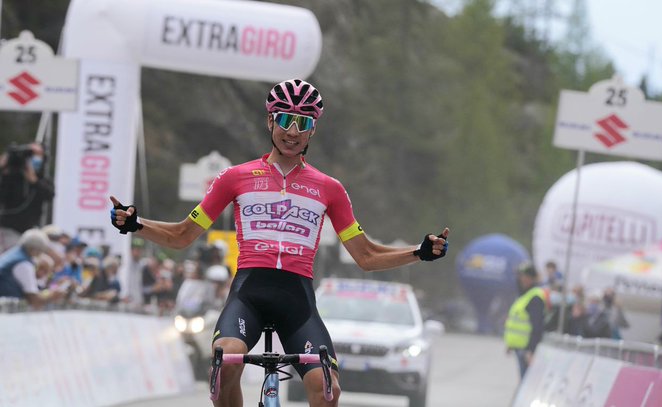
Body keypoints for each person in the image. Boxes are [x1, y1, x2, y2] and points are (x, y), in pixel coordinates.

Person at [109, 78, 449, 407]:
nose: (293, 132)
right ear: (270, 121)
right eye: (286, 120)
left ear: (313, 130)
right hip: (249, 295)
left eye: (303, 123)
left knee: (327, 389)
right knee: (225, 362)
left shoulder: (329, 188)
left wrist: (419, 252)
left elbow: (367, 255)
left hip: (297, 302)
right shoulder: (235, 178)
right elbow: (182, 235)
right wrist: (136, 224)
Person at [0, 142, 55, 253]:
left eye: (37, 154)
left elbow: (49, 195)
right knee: (14, 254)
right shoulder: (10, 176)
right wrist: (3, 167)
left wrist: (34, 181)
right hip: (9, 227)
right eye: (30, 154)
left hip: (31, 229)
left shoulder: (43, 179)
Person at [0, 228, 69, 309]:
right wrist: (52, 296)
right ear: (35, 250)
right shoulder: (23, 263)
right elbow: (34, 300)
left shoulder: (14, 254)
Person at [504, 262, 546, 379]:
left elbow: (537, 326)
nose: (520, 279)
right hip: (520, 348)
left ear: (530, 278)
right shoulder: (524, 295)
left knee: (527, 381)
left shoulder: (535, 297)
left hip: (526, 349)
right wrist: (510, 344)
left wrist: (531, 350)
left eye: (523, 276)